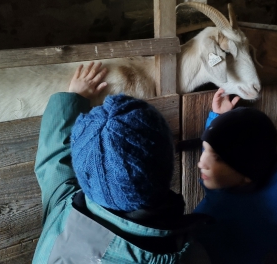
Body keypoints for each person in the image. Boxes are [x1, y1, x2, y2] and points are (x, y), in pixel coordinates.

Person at [32, 62, 211, 264]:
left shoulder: (62, 208)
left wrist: (71, 99)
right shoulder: (188, 255)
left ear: (83, 172)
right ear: (167, 165)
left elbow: (53, 160)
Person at [193, 88, 277, 264]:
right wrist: (219, 118)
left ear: (247, 174)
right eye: (206, 150)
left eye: (217, 158)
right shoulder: (242, 180)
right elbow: (226, 153)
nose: (201, 163)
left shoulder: (249, 227)